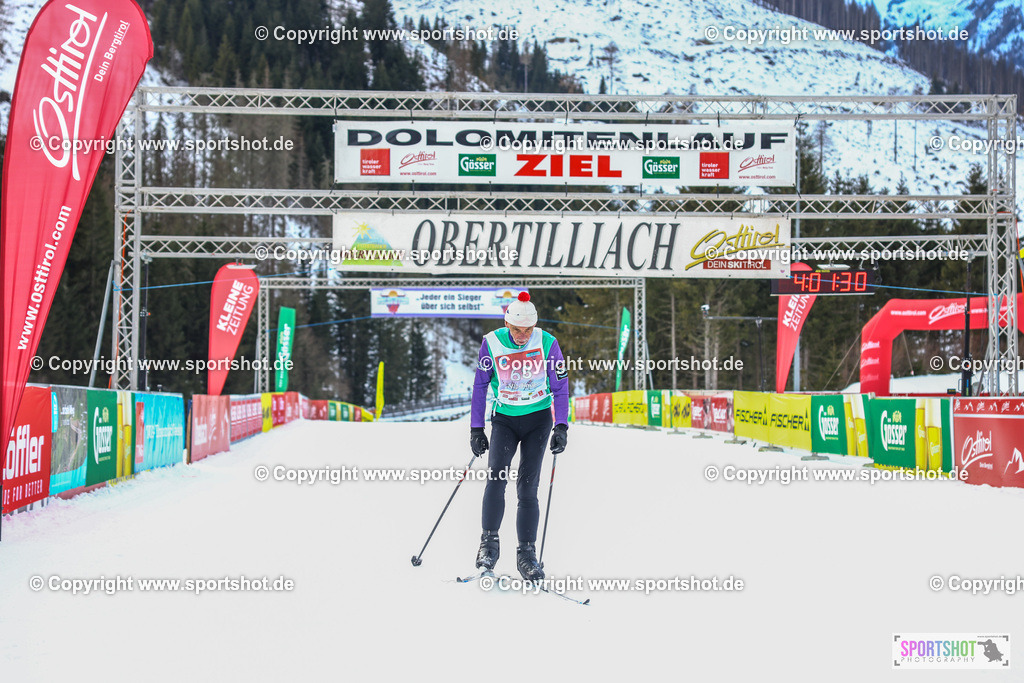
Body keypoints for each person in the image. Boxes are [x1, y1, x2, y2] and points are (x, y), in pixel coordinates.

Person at [469, 292, 569, 581]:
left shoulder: (548, 343)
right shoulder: (492, 343)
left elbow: (560, 388)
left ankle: (527, 555)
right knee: (496, 478)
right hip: (505, 421)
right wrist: (476, 428)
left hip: (538, 421)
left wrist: (561, 425)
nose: (523, 336)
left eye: (528, 330)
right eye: (516, 330)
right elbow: (480, 386)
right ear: (506, 323)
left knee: (528, 488)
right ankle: (488, 545)